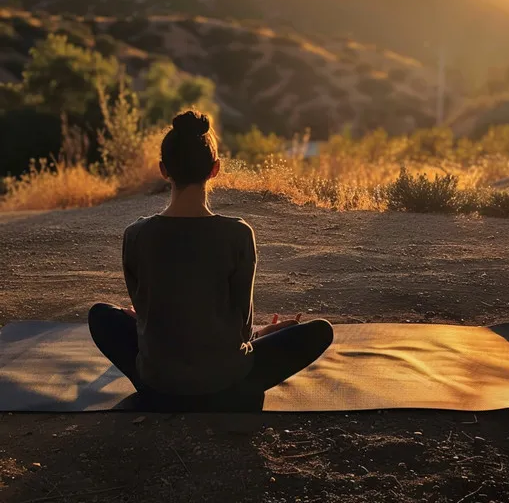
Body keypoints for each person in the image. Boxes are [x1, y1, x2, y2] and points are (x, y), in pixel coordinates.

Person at [88, 110, 333, 411]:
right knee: (320, 331)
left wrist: (144, 320)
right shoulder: (238, 234)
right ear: (215, 169)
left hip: (159, 383)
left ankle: (165, 386)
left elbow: (144, 309)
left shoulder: (135, 234)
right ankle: (225, 389)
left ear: (164, 169)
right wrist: (265, 334)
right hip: (226, 383)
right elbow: (241, 328)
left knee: (101, 315)